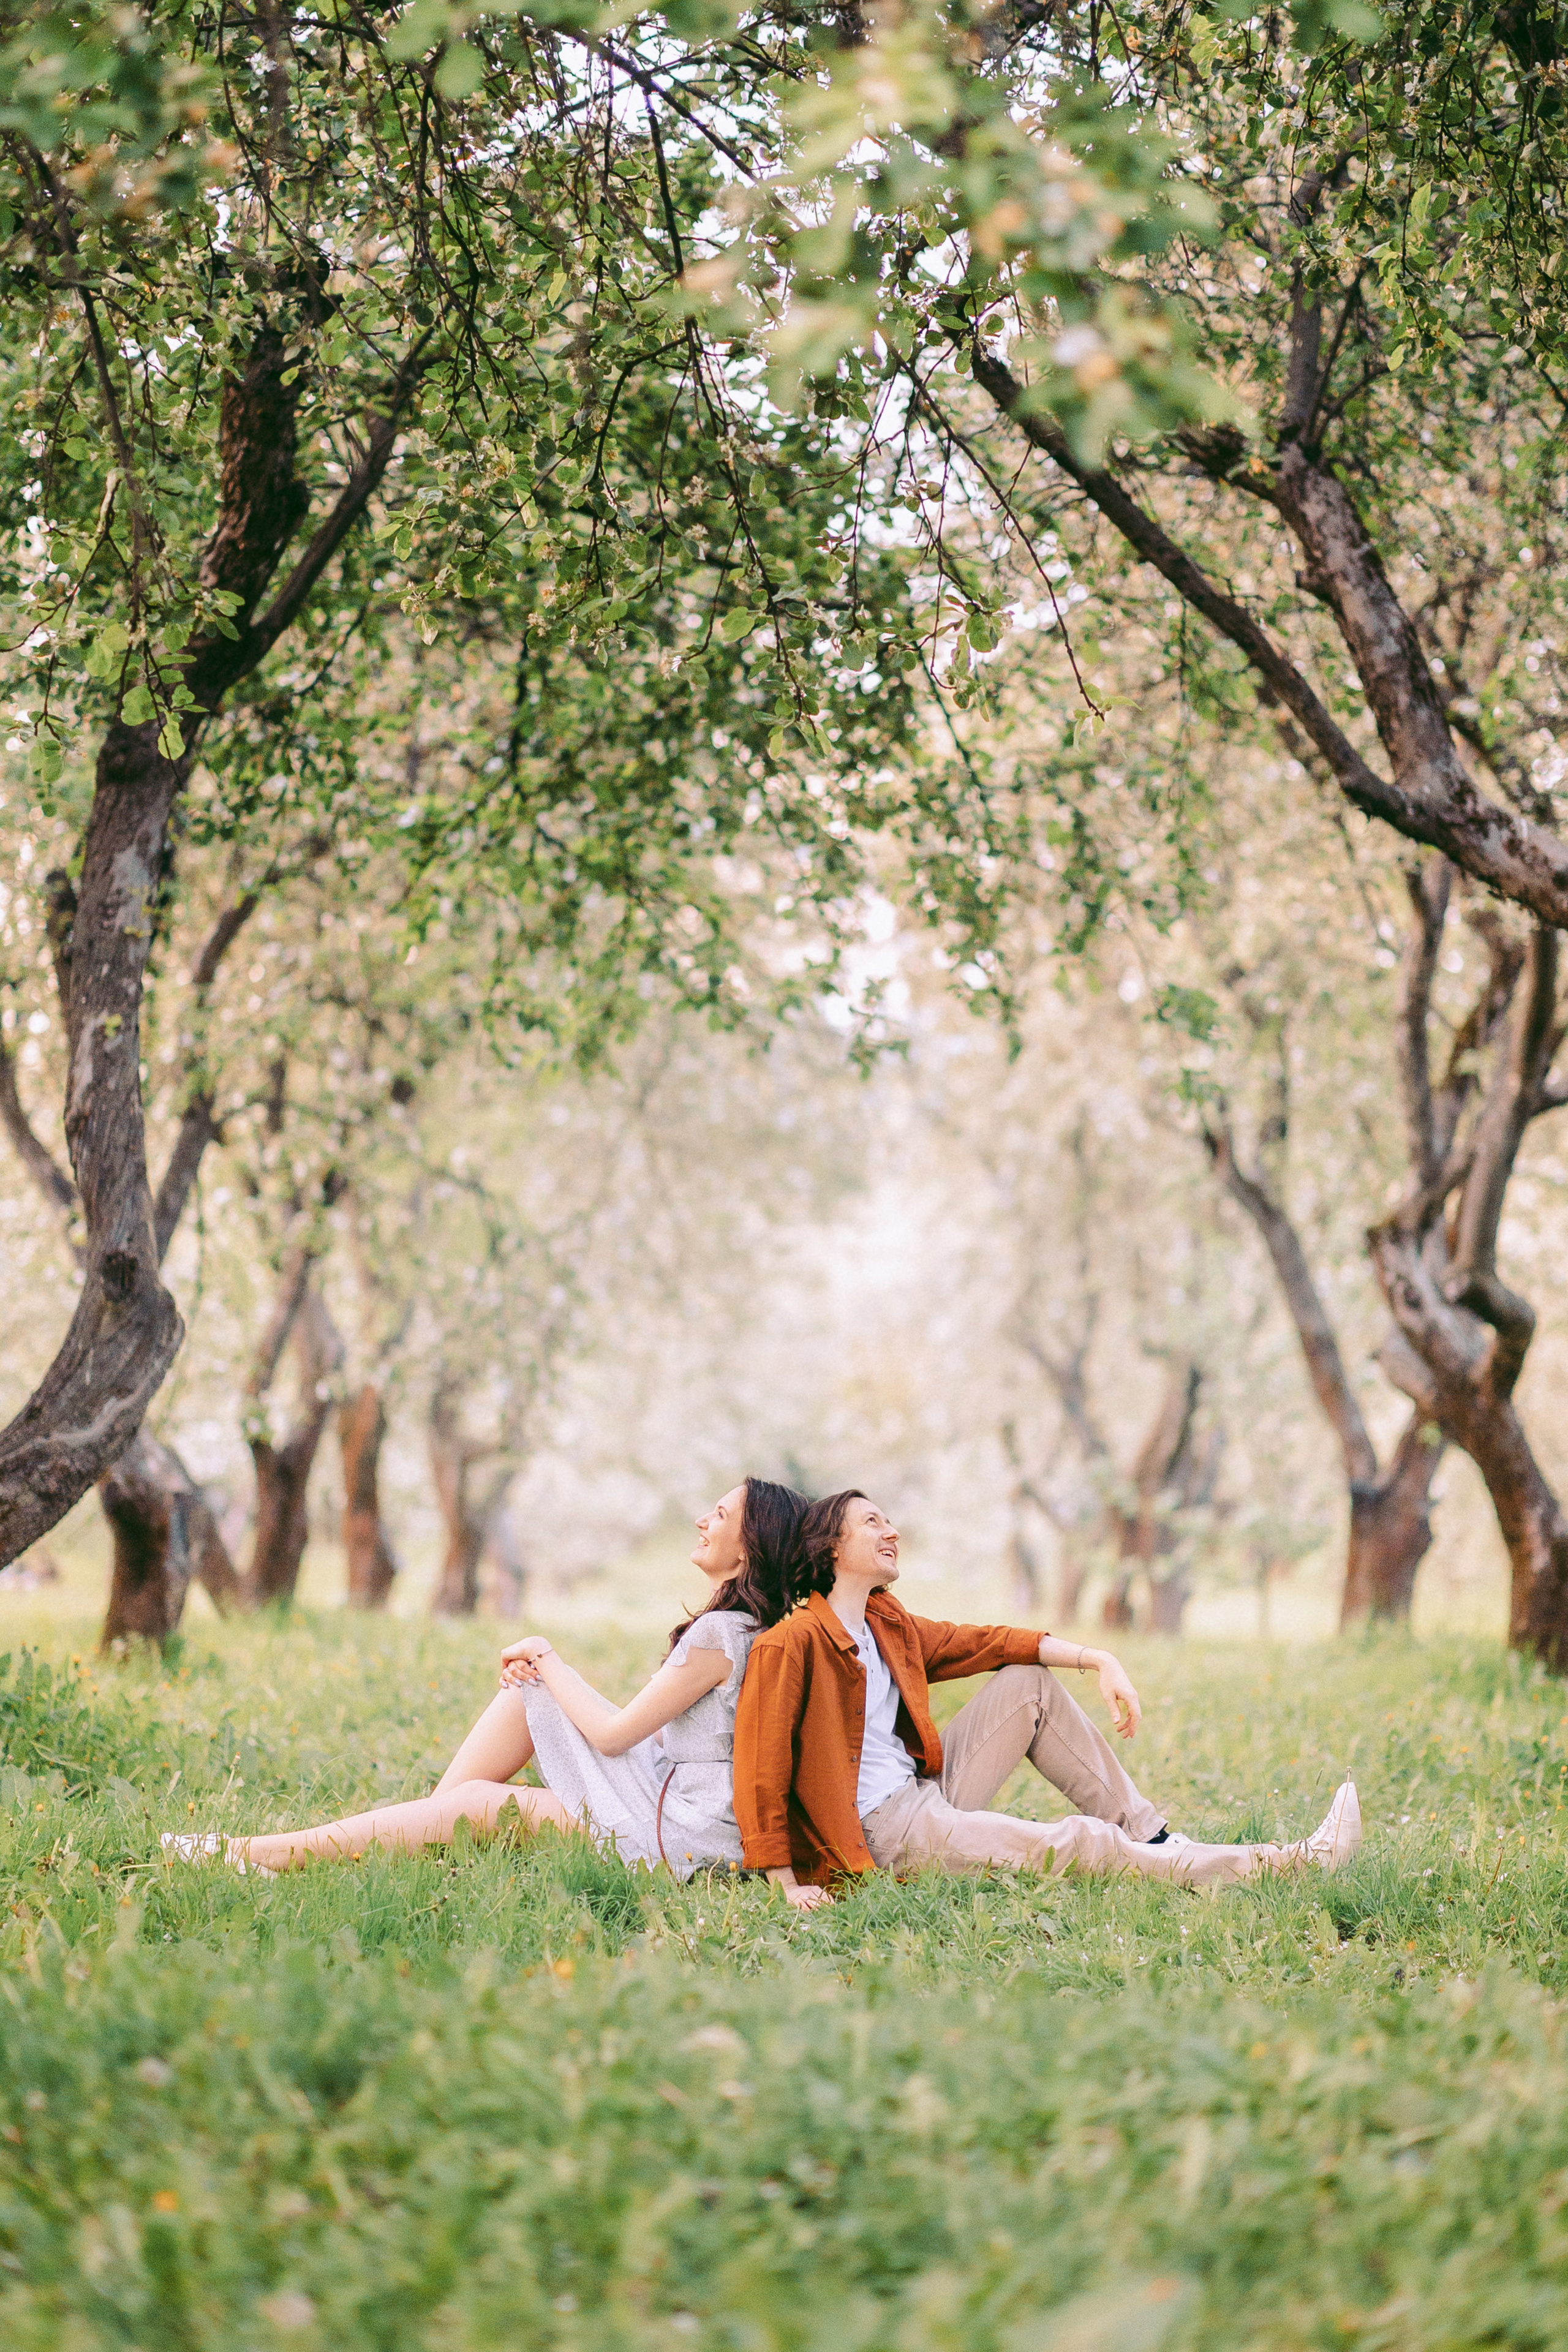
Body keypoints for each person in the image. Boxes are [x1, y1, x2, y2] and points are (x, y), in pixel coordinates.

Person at [733, 1490, 1360, 1907]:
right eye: (872, 1521)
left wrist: (1097, 1659)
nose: (892, 1530)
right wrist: (786, 1886)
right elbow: (760, 1770)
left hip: (923, 1795)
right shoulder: (792, 1646)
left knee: (1027, 1683)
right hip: (880, 1832)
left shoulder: (884, 1622)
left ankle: (1158, 1841)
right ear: (832, 1548)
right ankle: (1287, 1864)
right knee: (1073, 1843)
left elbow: (988, 1643)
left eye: (889, 1519)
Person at [164, 1476, 809, 1881]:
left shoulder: (719, 1637)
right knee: (527, 1692)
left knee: (486, 1794)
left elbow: (614, 1738)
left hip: (682, 1834)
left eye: (720, 1516)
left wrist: (547, 1655)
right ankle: (427, 1834)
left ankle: (256, 1854)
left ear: (750, 1545)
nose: (703, 1519)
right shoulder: (741, 1631)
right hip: (682, 1799)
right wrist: (545, 1678)